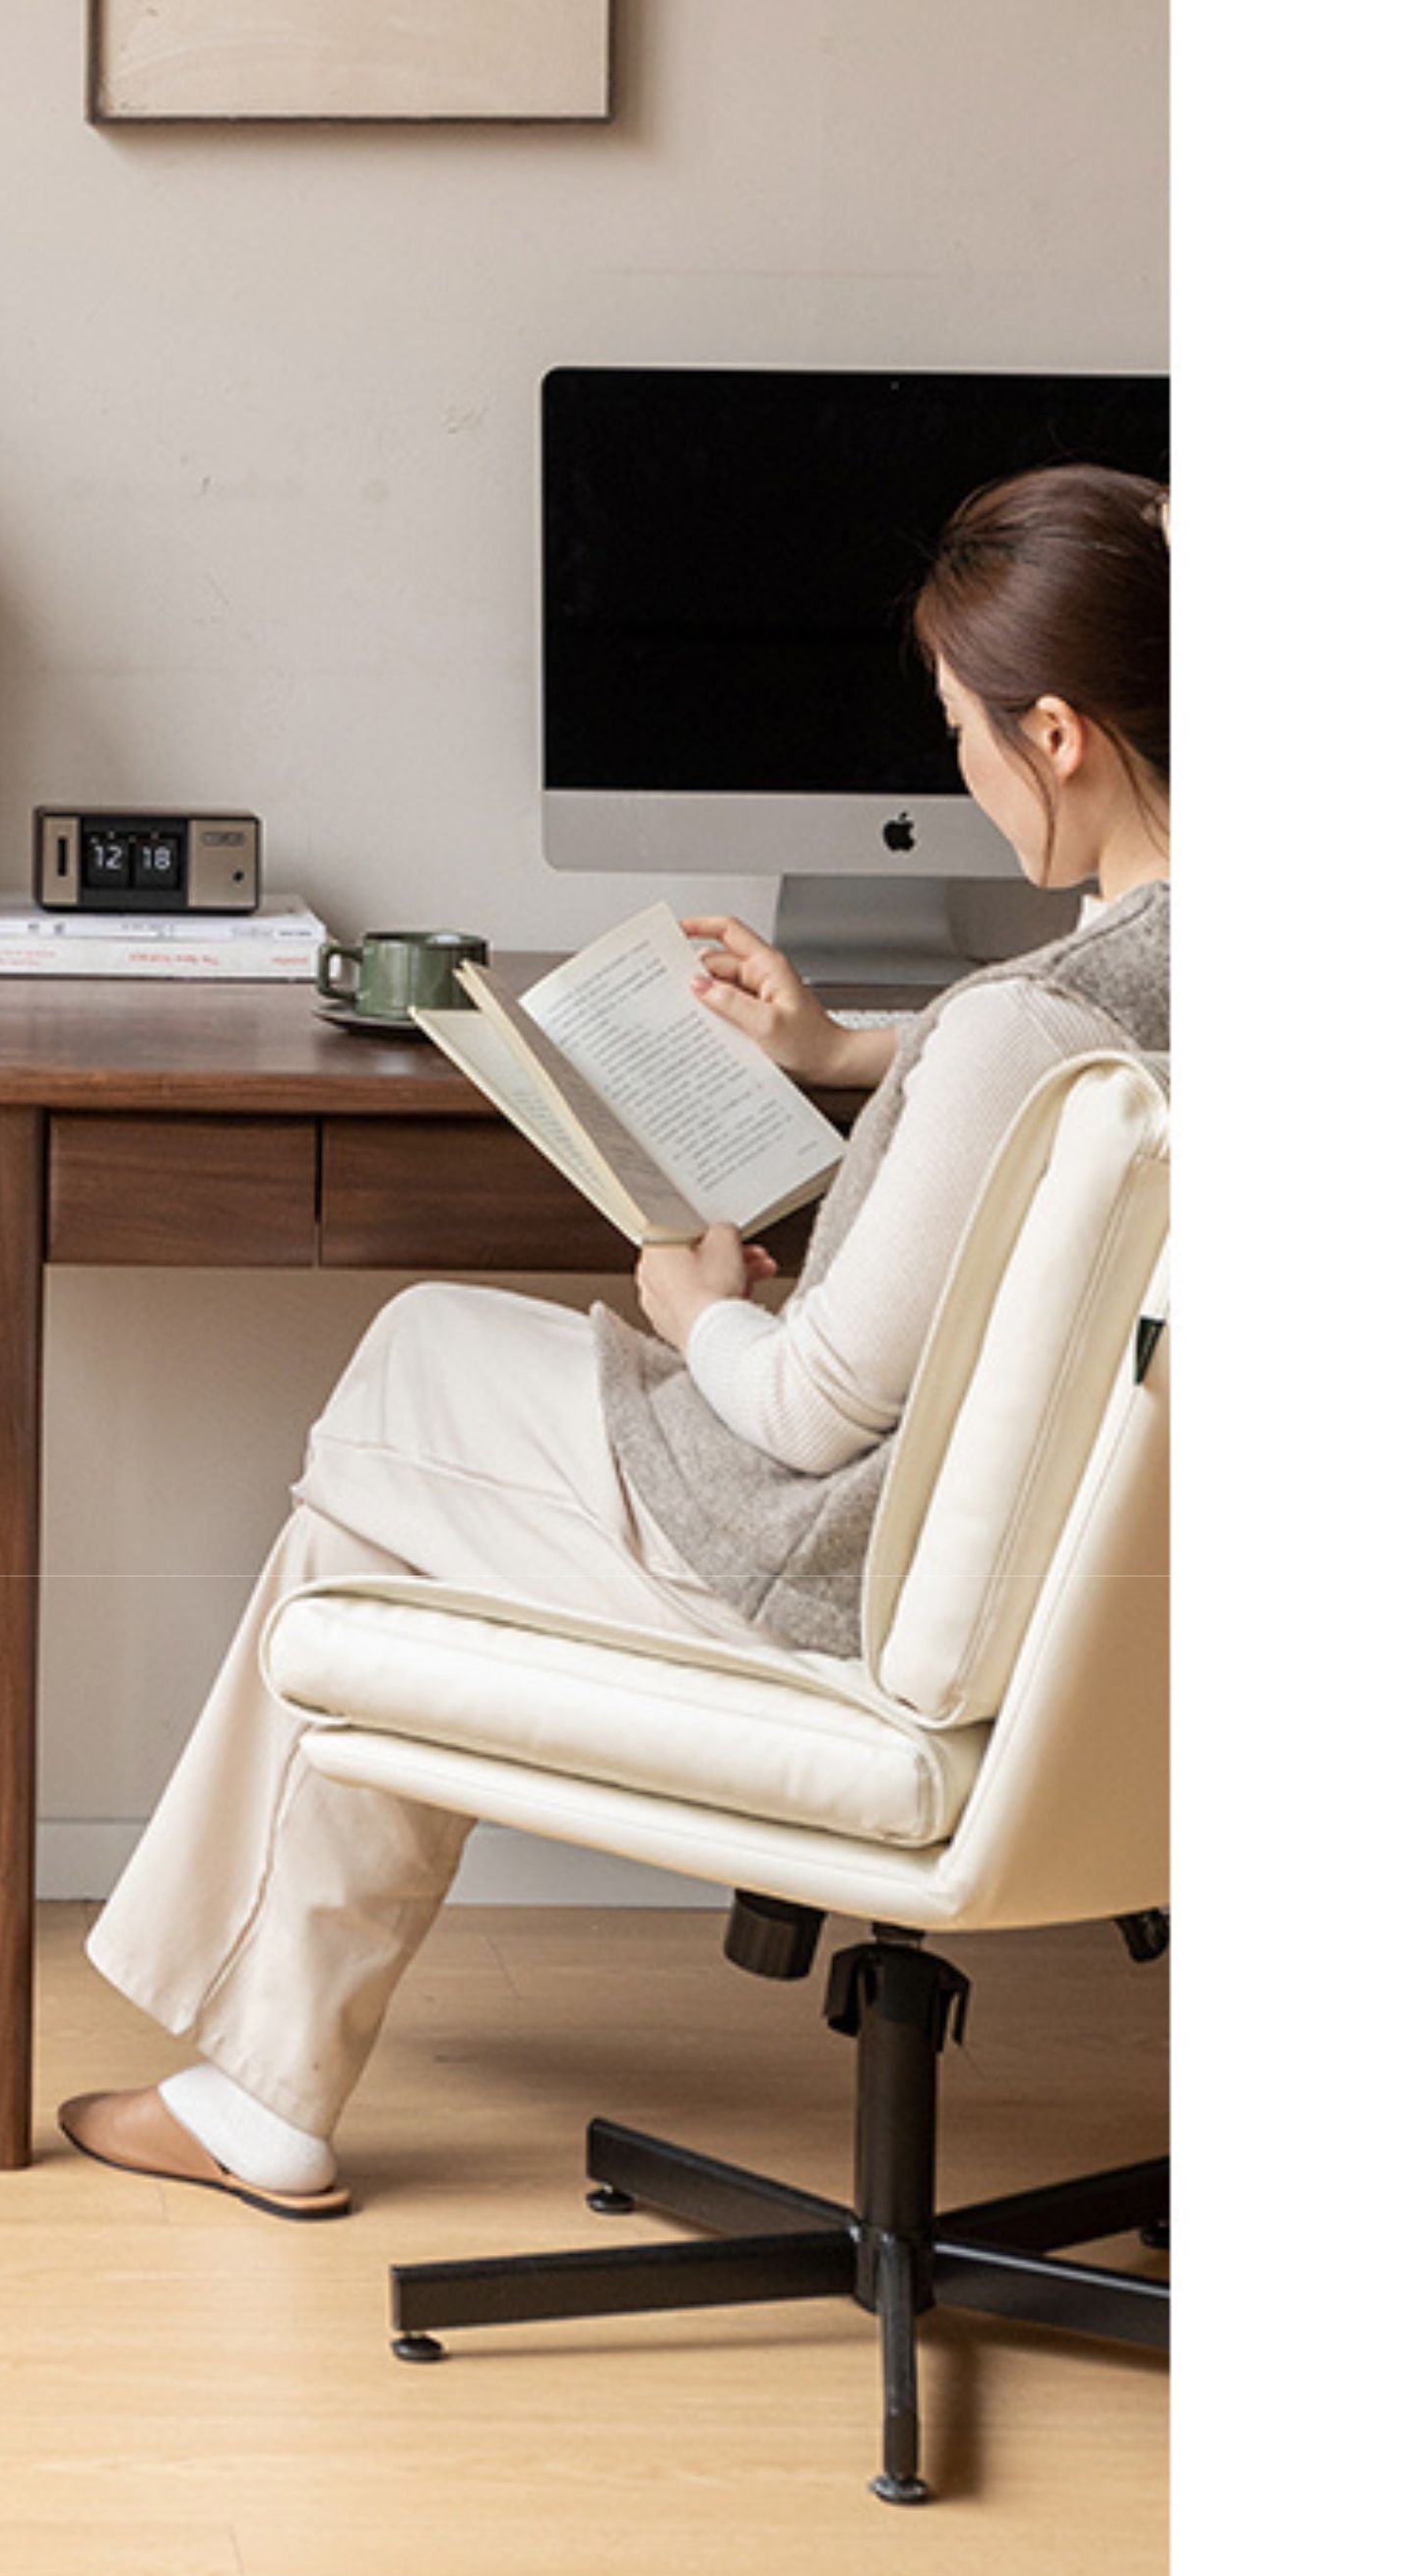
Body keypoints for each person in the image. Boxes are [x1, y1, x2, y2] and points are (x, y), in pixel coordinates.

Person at [62, 460, 1173, 2220]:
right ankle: (256, 2079)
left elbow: (809, 1410)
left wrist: (700, 1307)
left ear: (1056, 735)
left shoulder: (1025, 1025)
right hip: (1076, 1621)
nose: (953, 772)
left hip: (846, 1569)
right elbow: (1067, 1059)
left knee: (405, 1372)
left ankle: (263, 2086)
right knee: (376, 1501)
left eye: (961, 729)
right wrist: (846, 1051)